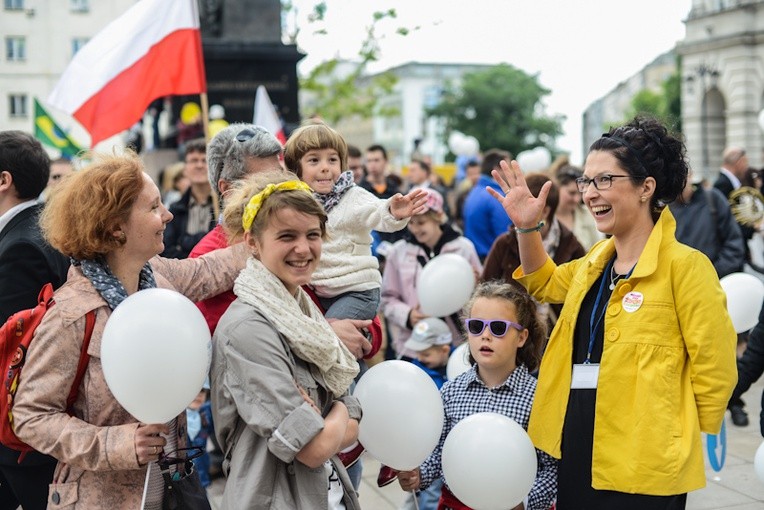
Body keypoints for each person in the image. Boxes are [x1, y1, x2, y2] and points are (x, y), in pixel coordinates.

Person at [490, 116, 737, 509]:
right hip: (578, 439)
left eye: (605, 180)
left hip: (646, 454)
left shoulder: (686, 267)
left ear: (646, 188)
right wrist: (527, 228)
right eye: (587, 181)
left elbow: (716, 368)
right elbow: (543, 281)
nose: (590, 193)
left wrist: (680, 436)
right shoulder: (595, 263)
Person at [12, 151, 249, 509]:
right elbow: (30, 416)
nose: (167, 214)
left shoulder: (156, 275)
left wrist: (270, 235)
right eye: (154, 207)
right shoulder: (73, 313)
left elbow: (208, 271)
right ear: (116, 227)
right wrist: (117, 444)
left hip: (175, 487)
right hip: (101, 499)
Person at [210, 171, 361, 509]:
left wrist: (328, 419)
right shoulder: (248, 328)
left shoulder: (303, 313)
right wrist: (338, 412)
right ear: (252, 242)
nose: (303, 248)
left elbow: (352, 428)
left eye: (312, 234)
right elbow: (313, 448)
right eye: (287, 236)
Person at [396, 282, 558, 510]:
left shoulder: (539, 398)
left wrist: (525, 502)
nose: (486, 336)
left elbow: (550, 468)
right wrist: (419, 475)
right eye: (476, 326)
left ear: (521, 337)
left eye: (499, 328)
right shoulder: (451, 392)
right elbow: (440, 452)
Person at [284, 122, 427, 324]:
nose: (325, 167)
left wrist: (393, 212)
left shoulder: (351, 195)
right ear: (297, 168)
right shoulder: (296, 202)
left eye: (332, 160)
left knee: (327, 336)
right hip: (319, 289)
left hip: (356, 291)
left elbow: (376, 211)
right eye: (314, 160)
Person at [0, 131, 70, 510]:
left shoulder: (20, 247)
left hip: (19, 443)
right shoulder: (42, 226)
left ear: (3, 180)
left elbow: (12, 350)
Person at [189, 123, 284, 333]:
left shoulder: (299, 232)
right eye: (265, 182)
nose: (279, 189)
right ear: (228, 189)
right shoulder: (207, 256)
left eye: (281, 178)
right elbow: (227, 339)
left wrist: (365, 331)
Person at [381, 188, 482, 360]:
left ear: (438, 217)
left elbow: (481, 294)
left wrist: (475, 284)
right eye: (410, 223)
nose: (415, 229)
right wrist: (407, 315)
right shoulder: (398, 253)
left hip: (456, 344)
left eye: (421, 223)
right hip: (415, 347)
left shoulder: (463, 248)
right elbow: (387, 298)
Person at [482, 174, 586, 331]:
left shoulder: (571, 245)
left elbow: (582, 298)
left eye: (524, 204)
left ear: (545, 210)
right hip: (512, 331)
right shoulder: (505, 243)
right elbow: (485, 287)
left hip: (556, 333)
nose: (517, 212)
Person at [385, 317, 452, 509]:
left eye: (426, 354)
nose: (420, 358)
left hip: (445, 445)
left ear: (445, 350)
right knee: (427, 492)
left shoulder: (459, 367)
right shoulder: (418, 373)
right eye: (418, 353)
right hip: (424, 444)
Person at [668, 170, 745, 279]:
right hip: (680, 284)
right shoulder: (664, 209)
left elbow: (734, 242)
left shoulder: (713, 199)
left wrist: (713, 273)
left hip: (715, 282)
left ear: (690, 175)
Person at [162, 138, 216, 259]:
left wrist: (184, 241)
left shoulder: (224, 206)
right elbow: (166, 251)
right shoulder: (175, 209)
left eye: (204, 160)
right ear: (185, 169)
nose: (199, 165)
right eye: (193, 160)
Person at [462, 149, 513, 261]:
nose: (511, 172)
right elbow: (505, 236)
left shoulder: (475, 191)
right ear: (497, 169)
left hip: (477, 258)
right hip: (492, 260)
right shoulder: (495, 196)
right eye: (508, 167)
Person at [553, 164, 602, 250]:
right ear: (557, 188)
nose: (577, 199)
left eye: (580, 193)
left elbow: (599, 250)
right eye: (571, 193)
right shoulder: (544, 215)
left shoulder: (589, 214)